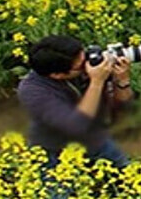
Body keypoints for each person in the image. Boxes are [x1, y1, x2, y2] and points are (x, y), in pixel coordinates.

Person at [17, 35, 133, 173]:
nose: (88, 65)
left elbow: (124, 104)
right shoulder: (32, 91)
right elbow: (77, 124)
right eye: (81, 65)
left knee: (132, 179)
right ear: (57, 75)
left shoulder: (90, 67)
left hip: (95, 140)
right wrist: (96, 82)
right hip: (55, 151)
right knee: (60, 193)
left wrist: (122, 80)